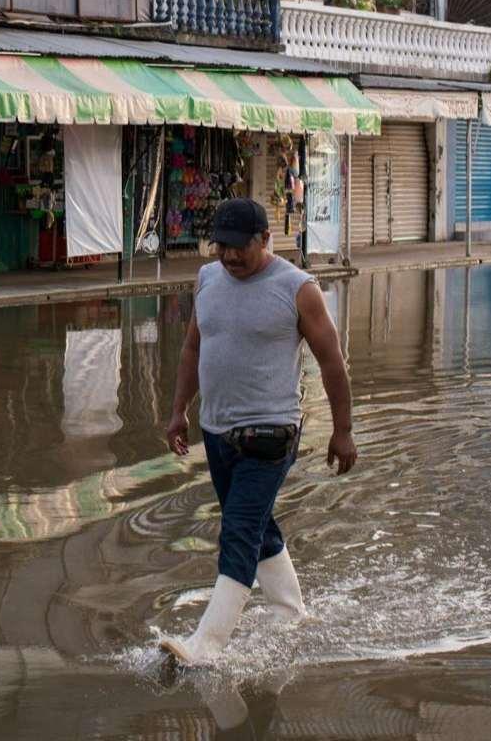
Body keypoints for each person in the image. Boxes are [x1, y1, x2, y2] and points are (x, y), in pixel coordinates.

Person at [159, 197, 356, 667]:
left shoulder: (296, 288)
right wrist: (178, 410)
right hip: (217, 431)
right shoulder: (208, 279)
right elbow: (191, 349)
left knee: (239, 531)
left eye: (239, 249)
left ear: (266, 240)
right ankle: (291, 611)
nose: (229, 257)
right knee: (257, 524)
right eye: (221, 247)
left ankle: (203, 647)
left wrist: (343, 431)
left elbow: (332, 363)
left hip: (270, 435)